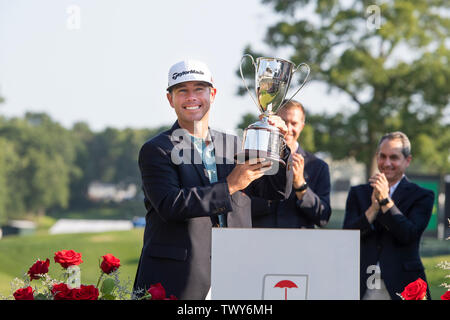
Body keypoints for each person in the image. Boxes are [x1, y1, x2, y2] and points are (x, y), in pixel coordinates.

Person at [133, 59, 293, 299]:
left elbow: (275, 191)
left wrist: (280, 142)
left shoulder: (235, 144)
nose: (192, 97)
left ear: (213, 94)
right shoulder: (157, 149)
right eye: (182, 91)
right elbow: (170, 204)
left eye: (199, 89)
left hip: (235, 272)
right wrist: (230, 186)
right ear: (170, 99)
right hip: (179, 278)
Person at [343, 131, 434, 300]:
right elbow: (347, 238)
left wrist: (385, 201)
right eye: (382, 156)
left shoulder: (422, 195)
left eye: (394, 157)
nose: (387, 163)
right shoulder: (358, 193)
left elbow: (409, 234)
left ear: (407, 160)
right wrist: (373, 209)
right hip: (364, 283)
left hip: (405, 283)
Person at [251, 99, 332, 228]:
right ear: (273, 122)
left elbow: (323, 217)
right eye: (283, 122)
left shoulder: (318, 167)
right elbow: (241, 208)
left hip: (300, 245)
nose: (288, 129)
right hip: (259, 242)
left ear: (302, 126)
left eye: (294, 123)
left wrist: (300, 184)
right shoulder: (255, 161)